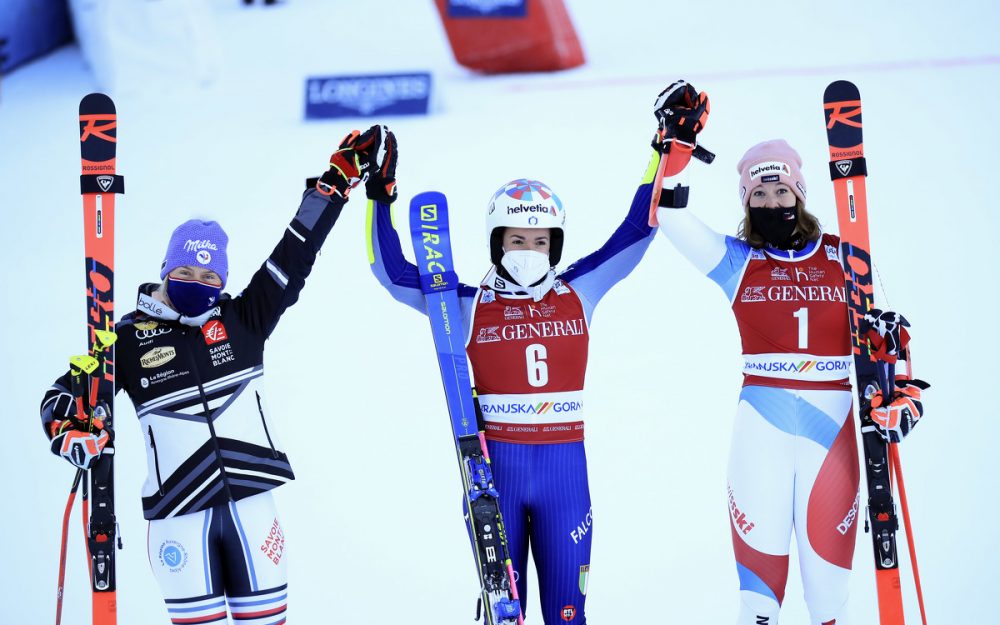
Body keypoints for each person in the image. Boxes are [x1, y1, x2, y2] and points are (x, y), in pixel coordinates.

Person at [40, 125, 398, 624]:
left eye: (210, 277)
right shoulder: (122, 338)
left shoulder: (243, 320)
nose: (197, 284)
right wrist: (69, 429)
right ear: (166, 270)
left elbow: (293, 255)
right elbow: (61, 395)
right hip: (179, 521)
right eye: (185, 273)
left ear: (223, 282)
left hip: (253, 510)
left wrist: (330, 188)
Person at [366, 110, 678, 621]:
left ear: (554, 244)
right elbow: (391, 271)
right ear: (497, 243)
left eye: (539, 241)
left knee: (567, 613)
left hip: (565, 474)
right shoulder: (464, 304)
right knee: (502, 615)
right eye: (516, 240)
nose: (529, 250)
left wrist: (665, 151)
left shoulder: (580, 290)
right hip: (496, 473)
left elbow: (636, 233)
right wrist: (380, 197)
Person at [651, 88, 928, 625]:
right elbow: (673, 220)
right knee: (759, 601)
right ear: (746, 203)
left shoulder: (844, 256)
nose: (772, 203)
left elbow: (892, 340)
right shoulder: (738, 262)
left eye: (781, 192)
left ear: (800, 195)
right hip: (762, 430)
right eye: (759, 195)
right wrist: (678, 150)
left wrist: (906, 399)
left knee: (828, 600)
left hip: (834, 430)